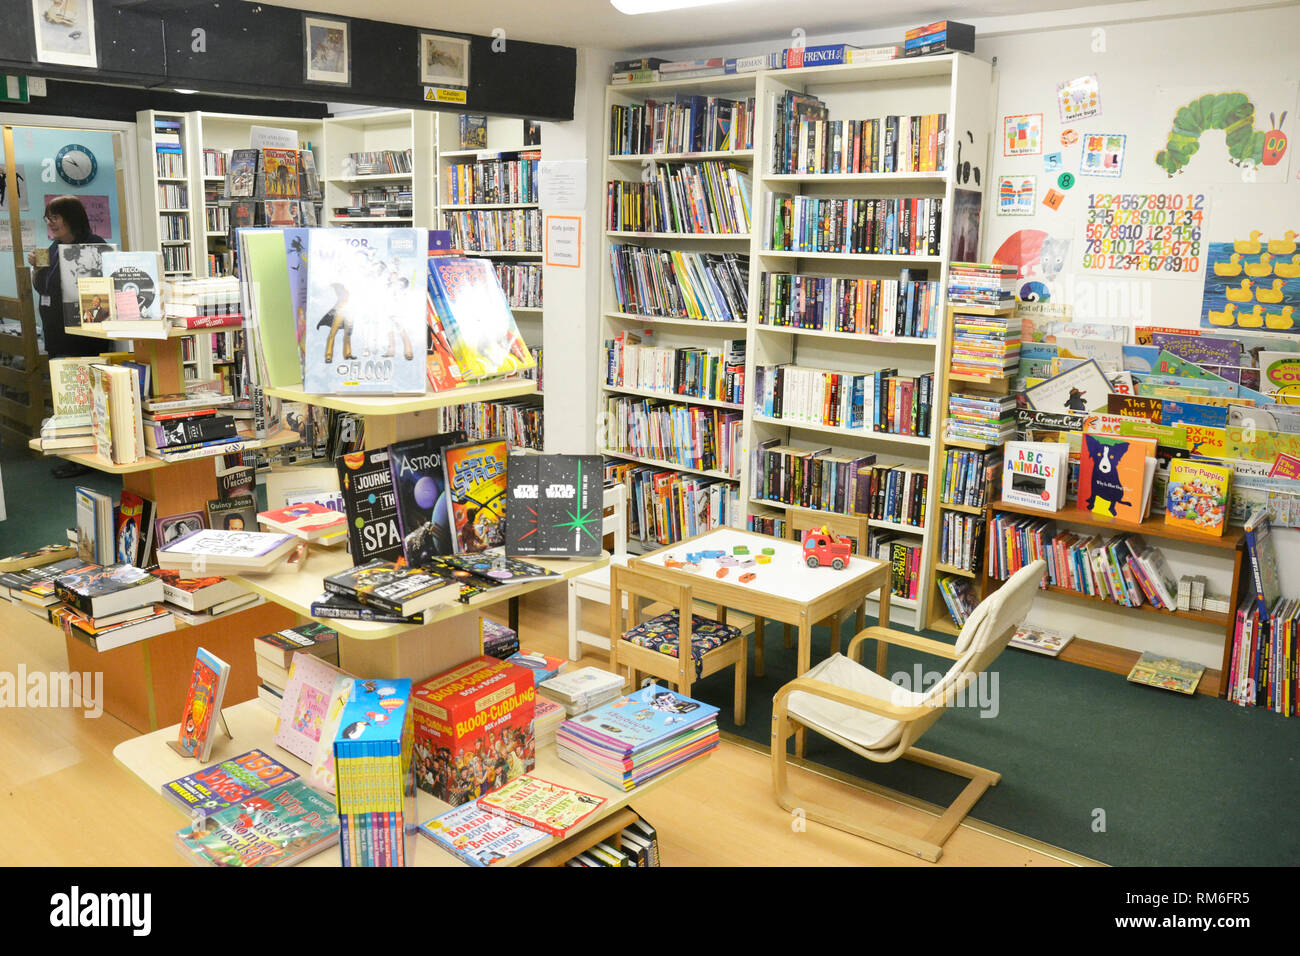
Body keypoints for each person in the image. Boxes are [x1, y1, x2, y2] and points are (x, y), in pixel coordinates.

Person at [28, 196, 107, 478]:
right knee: (67, 394)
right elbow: (44, 288)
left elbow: (98, 292)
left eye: (55, 217)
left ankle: (86, 457)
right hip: (57, 333)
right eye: (47, 218)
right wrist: (37, 269)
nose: (50, 223)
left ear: (71, 218)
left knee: (85, 394)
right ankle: (75, 453)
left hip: (83, 335)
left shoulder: (93, 245)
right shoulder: (54, 248)